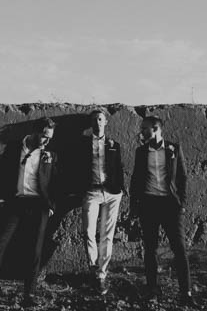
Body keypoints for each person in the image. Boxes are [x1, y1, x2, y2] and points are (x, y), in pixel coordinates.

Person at [0, 117, 59, 307]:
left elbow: (56, 182)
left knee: (34, 250)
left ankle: (29, 294)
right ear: (35, 132)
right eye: (44, 136)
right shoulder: (14, 148)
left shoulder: (49, 154)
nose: (47, 141)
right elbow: (1, 174)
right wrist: (0, 198)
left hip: (38, 205)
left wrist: (50, 205)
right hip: (14, 203)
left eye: (50, 137)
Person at [129, 115, 197, 307]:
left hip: (170, 206)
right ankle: (152, 290)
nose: (141, 132)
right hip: (149, 205)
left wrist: (181, 203)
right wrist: (134, 206)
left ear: (156, 129)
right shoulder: (141, 152)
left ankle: (186, 292)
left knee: (179, 249)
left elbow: (183, 177)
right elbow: (135, 179)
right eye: (142, 128)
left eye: (145, 129)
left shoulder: (174, 148)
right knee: (150, 250)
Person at [78, 110, 125, 295]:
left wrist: (120, 188)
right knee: (89, 232)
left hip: (112, 193)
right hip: (91, 191)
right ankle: (93, 266)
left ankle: (101, 275)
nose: (97, 122)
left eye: (100, 119)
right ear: (90, 123)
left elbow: (119, 167)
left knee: (107, 234)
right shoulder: (82, 145)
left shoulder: (114, 145)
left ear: (106, 122)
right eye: (94, 119)